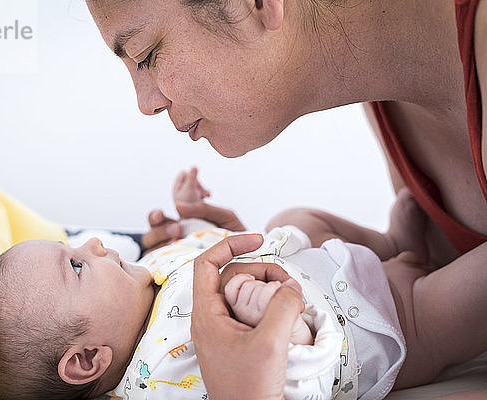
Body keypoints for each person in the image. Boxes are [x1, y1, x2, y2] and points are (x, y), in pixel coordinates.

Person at [83, 0, 487, 397]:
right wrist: (272, 260)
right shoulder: (386, 76)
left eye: (146, 55)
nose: (145, 103)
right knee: (292, 223)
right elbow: (432, 266)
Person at [0, 170, 483, 400]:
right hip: (384, 323)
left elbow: (229, 255)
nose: (92, 246)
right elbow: (288, 388)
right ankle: (410, 264)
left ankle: (394, 244)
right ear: (88, 360)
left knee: (293, 216)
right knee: (462, 300)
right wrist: (291, 334)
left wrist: (208, 226)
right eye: (74, 267)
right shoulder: (161, 380)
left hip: (322, 259)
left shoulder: (144, 280)